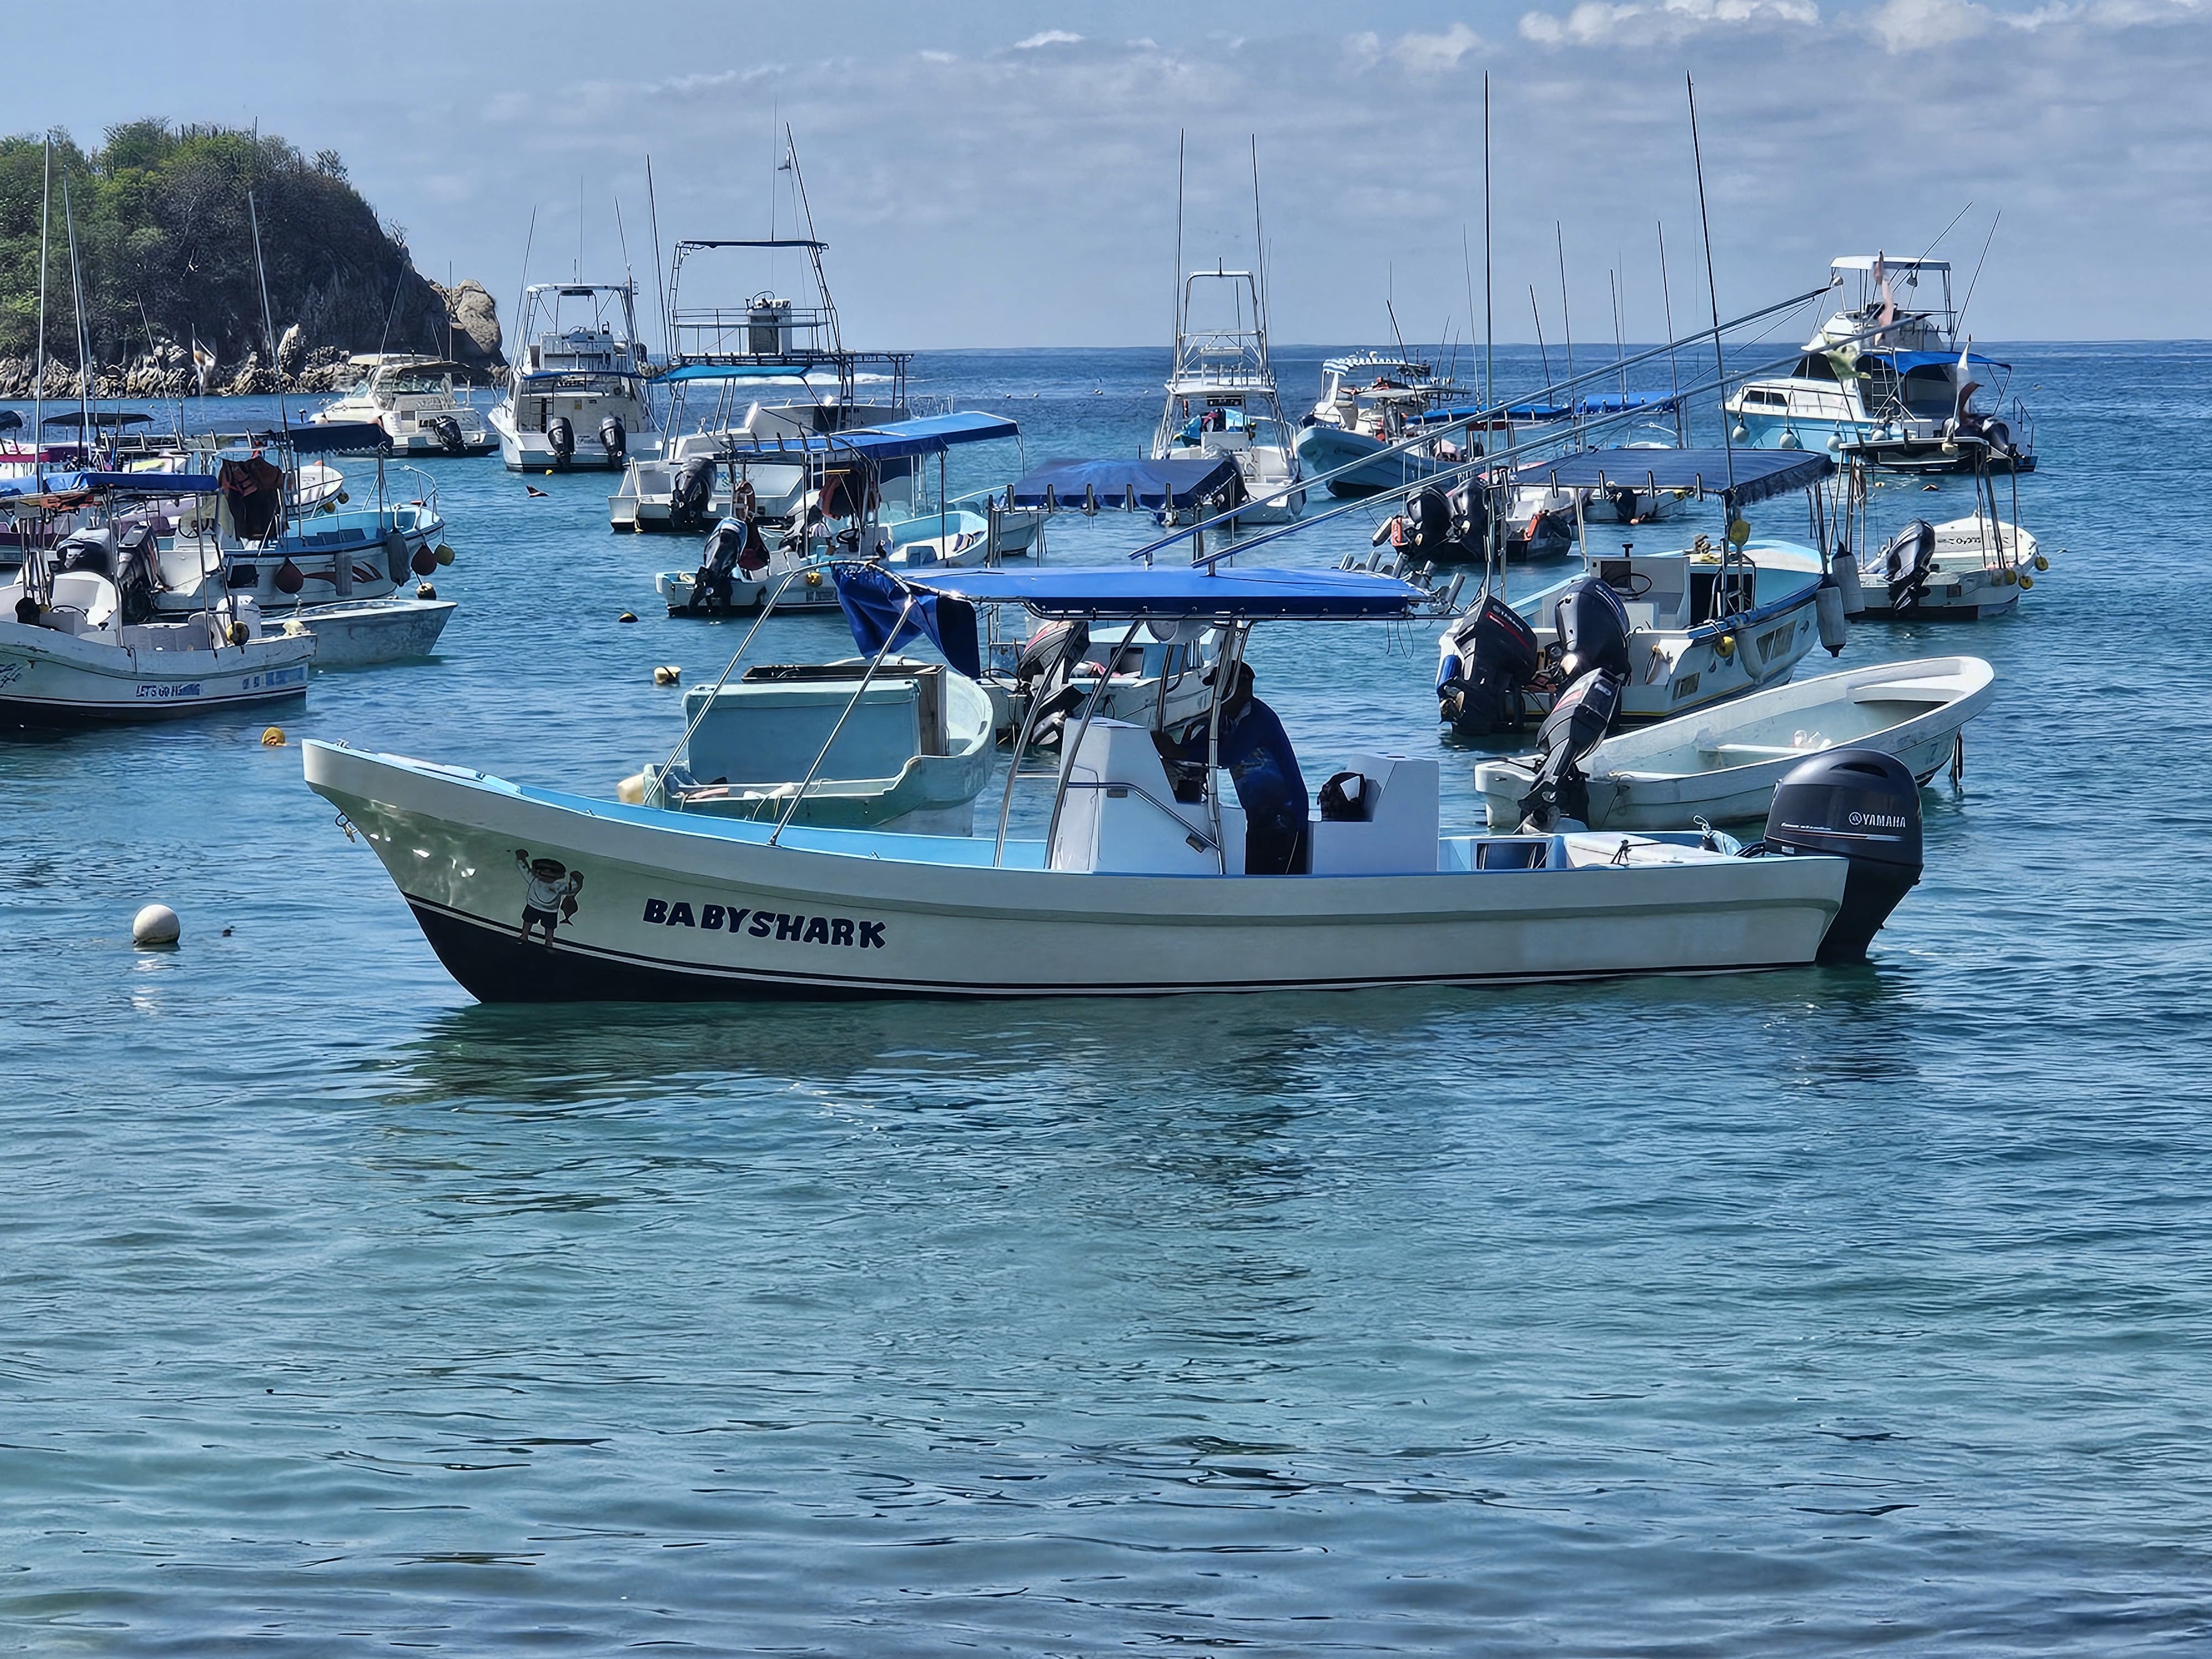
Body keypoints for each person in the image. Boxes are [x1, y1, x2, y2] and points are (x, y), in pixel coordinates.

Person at [1158, 661, 1309, 875]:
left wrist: (1178, 752)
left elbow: (1230, 756)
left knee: (1279, 877)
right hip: (1258, 814)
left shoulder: (1257, 718)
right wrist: (1171, 749)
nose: (1216, 694)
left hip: (1287, 814)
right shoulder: (1225, 719)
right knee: (1255, 870)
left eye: (1223, 687)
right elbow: (1198, 747)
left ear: (1242, 689)